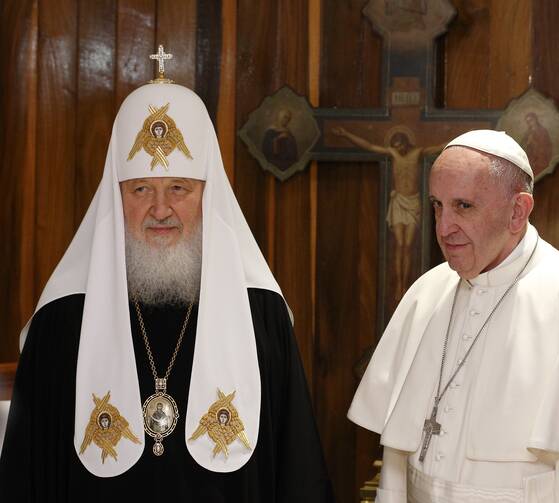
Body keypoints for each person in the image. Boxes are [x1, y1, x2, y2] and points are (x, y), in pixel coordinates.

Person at [0, 57, 333, 502]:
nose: (160, 210)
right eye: (141, 190)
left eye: (179, 188)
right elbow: (28, 474)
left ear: (206, 194)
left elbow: (296, 470)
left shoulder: (258, 312)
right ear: (116, 198)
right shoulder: (63, 319)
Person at [348, 129, 559, 502]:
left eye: (464, 206)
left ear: (517, 211)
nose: (442, 228)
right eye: (437, 204)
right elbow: (396, 466)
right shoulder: (426, 295)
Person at [332, 127, 440, 302]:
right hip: (398, 201)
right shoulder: (393, 154)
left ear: (406, 143)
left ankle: (407, 283)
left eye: (401, 146)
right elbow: (368, 146)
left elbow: (439, 147)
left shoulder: (418, 153)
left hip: (412, 202)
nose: (399, 150)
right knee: (399, 244)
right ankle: (399, 284)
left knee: (408, 246)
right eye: (396, 147)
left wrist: (463, 134)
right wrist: (346, 134)